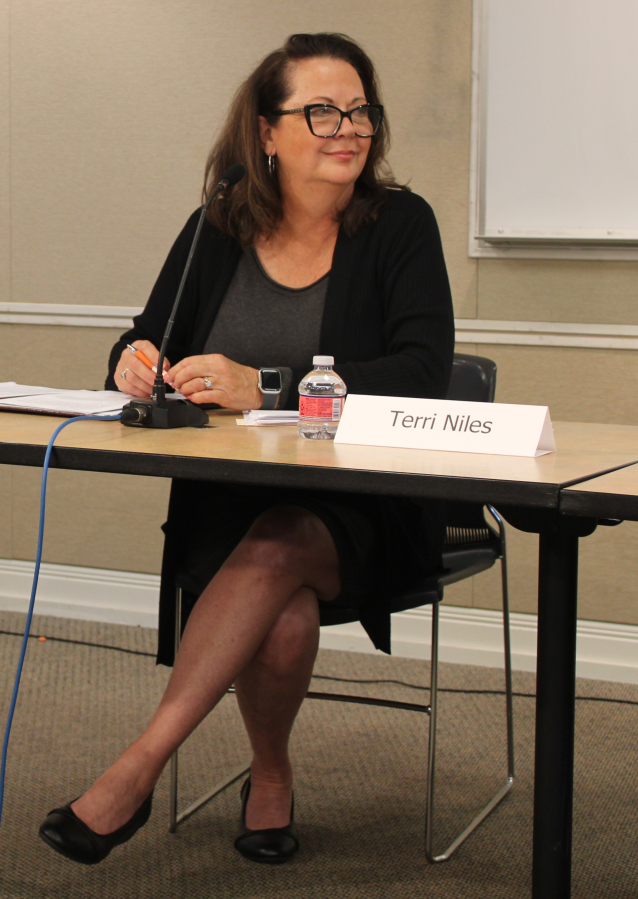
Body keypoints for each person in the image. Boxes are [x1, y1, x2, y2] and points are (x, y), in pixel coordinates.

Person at [39, 32, 454, 865]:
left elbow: (420, 373)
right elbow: (147, 335)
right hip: (226, 497)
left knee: (282, 543)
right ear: (266, 133)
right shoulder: (219, 226)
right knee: (282, 607)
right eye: (322, 111)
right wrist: (133, 359)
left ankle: (136, 766)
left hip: (367, 504)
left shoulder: (399, 224)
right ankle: (270, 775)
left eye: (360, 110)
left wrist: (265, 386)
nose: (348, 128)